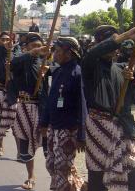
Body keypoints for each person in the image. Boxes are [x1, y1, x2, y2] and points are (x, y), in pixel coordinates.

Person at [82, 25, 135, 191]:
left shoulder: (122, 68)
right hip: (99, 127)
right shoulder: (89, 65)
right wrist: (126, 35)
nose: (114, 48)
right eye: (110, 42)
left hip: (123, 127)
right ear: (98, 43)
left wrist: (132, 74)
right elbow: (93, 53)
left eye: (116, 44)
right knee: (98, 178)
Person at [40, 37, 86, 191]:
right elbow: (51, 99)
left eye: (58, 52)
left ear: (69, 53)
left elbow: (82, 106)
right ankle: (79, 186)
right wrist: (44, 122)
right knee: (51, 164)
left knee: (62, 168)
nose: (54, 55)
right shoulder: (57, 71)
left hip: (69, 129)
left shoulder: (78, 74)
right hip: (55, 126)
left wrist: (82, 135)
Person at [8, 32, 49, 190]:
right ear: (26, 48)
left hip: (42, 108)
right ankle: (31, 176)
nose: (37, 49)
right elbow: (12, 64)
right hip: (25, 107)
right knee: (25, 142)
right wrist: (31, 53)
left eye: (40, 46)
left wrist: (46, 73)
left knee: (48, 143)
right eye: (34, 46)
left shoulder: (43, 62)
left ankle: (58, 177)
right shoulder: (21, 60)